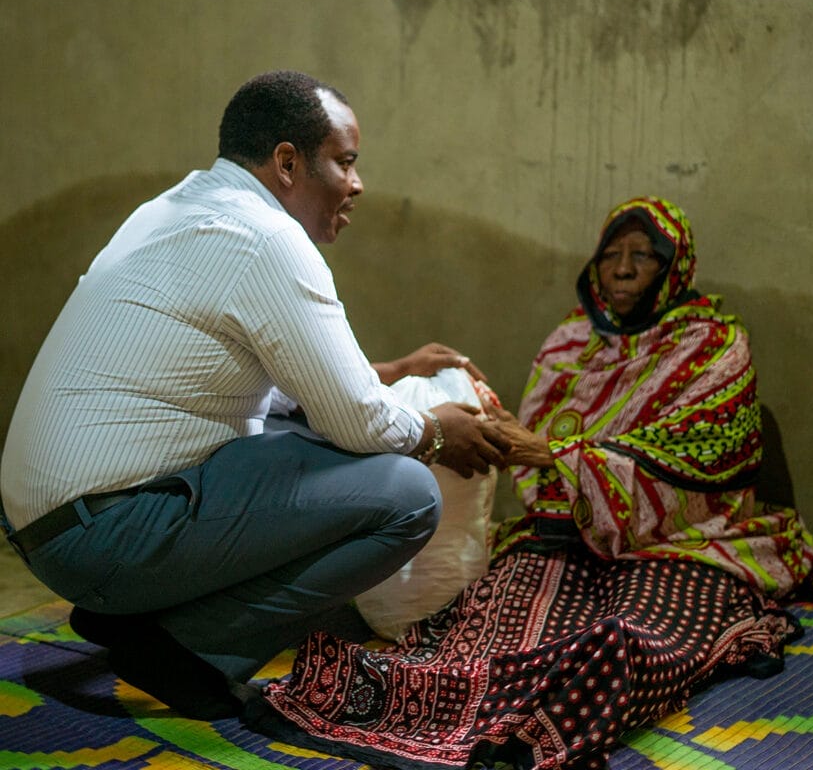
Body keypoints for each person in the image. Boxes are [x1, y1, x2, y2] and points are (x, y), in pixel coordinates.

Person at [0, 69, 509, 720]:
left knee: (303, 439)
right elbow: (359, 424)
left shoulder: (176, 207)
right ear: (288, 162)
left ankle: (141, 613)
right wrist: (437, 431)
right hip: (102, 539)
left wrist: (379, 373)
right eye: (345, 162)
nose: (356, 184)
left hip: (52, 527)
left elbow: (242, 384)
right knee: (404, 497)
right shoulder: (267, 240)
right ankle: (183, 647)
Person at [245, 196, 813, 770]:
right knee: (490, 623)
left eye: (643, 255)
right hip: (566, 535)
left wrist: (549, 453)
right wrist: (506, 437)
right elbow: (534, 455)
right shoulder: (573, 342)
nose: (621, 268)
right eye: (611, 254)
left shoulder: (713, 343)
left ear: (675, 266)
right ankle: (415, 705)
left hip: (685, 546)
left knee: (627, 636)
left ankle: (541, 727)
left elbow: (706, 464)